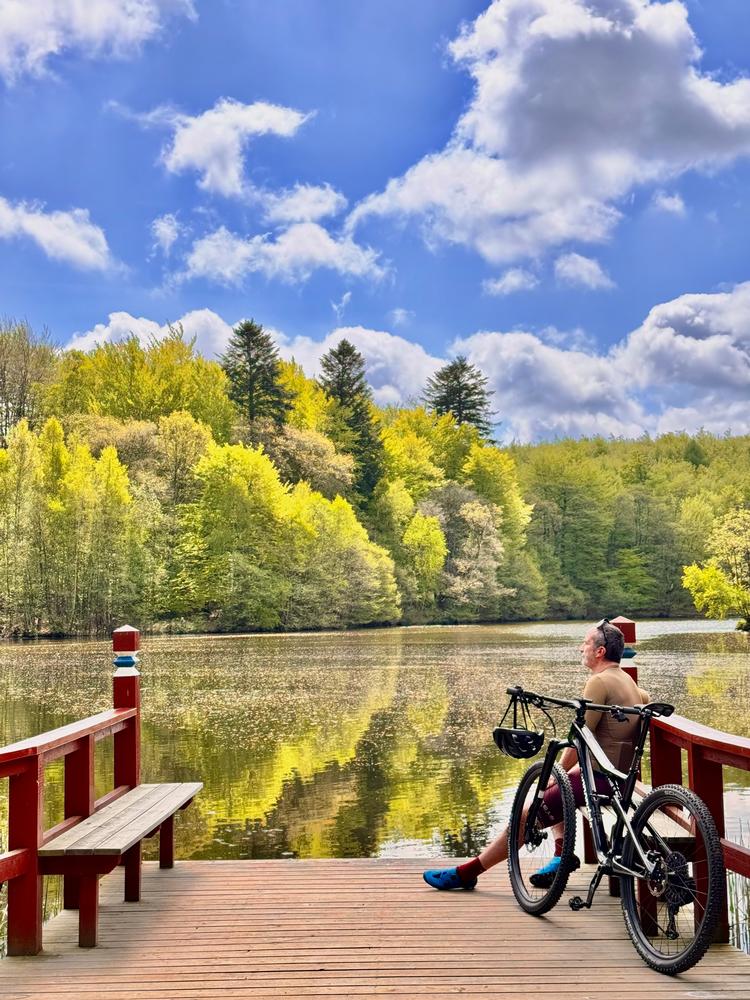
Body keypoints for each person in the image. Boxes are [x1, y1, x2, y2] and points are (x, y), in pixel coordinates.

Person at [423, 619, 650, 891]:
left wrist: (559, 774)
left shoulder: (599, 682)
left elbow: (580, 739)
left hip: (602, 781)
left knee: (525, 815)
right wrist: (563, 776)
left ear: (600, 652)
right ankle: (561, 856)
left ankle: (467, 872)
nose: (581, 648)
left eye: (586, 643)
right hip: (618, 778)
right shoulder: (628, 682)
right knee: (561, 786)